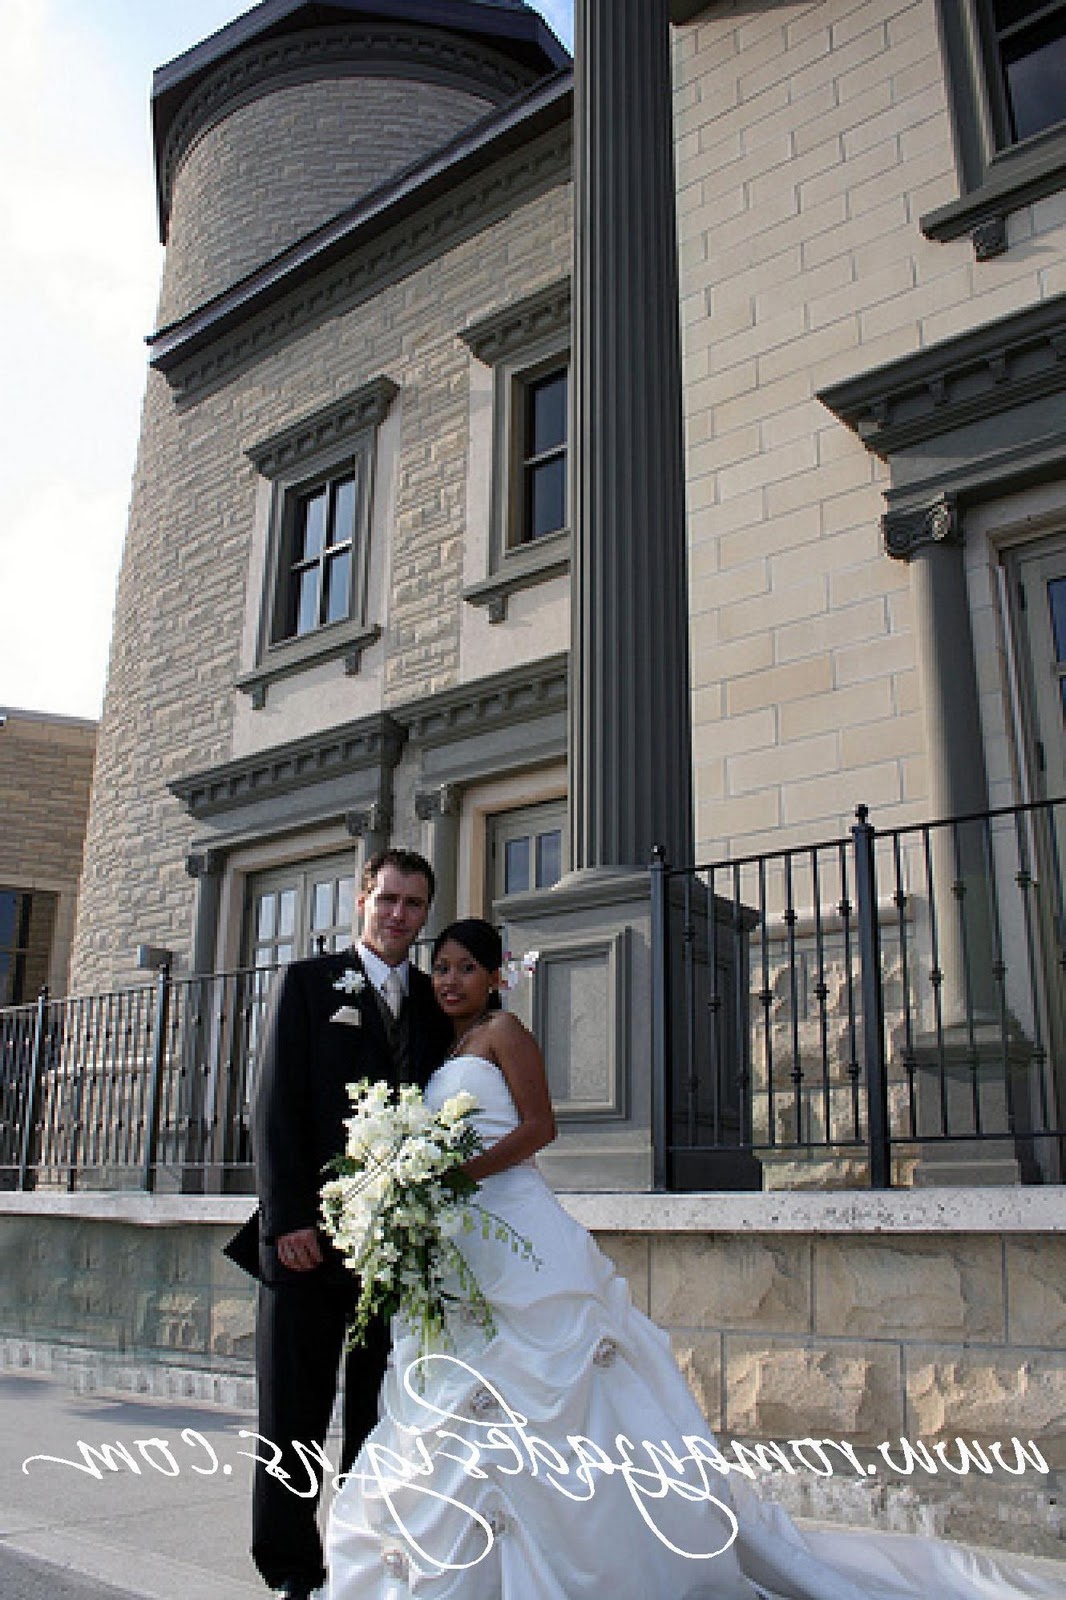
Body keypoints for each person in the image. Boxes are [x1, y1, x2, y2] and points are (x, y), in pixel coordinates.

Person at [325, 917, 1063, 1600]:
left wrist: (461, 1174)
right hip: (466, 1248)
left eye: (466, 968)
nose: (450, 980)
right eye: (442, 968)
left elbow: (540, 1126)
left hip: (517, 1228)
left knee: (564, 1387)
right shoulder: (445, 1048)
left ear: (495, 977)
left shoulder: (504, 1031)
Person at [244, 848, 453, 1600]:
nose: (399, 914)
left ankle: (363, 1556)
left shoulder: (435, 999)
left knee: (376, 1411)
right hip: (307, 1241)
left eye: (414, 904)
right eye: (388, 898)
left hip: (393, 1247)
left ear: (425, 913)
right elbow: (272, 1109)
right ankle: (292, 1570)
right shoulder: (306, 984)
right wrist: (288, 1218)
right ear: (362, 898)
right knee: (294, 1410)